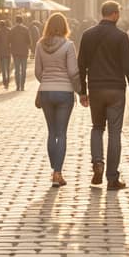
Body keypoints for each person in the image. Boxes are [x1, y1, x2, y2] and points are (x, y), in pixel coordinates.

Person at [78, 0, 129, 190]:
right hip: (116, 89)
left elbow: (81, 65)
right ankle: (112, 177)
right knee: (114, 133)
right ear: (114, 14)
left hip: (95, 88)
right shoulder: (121, 36)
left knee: (97, 128)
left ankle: (97, 162)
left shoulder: (87, 35)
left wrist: (82, 90)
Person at [34, 12, 81, 187]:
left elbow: (38, 72)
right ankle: (57, 173)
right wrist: (79, 90)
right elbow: (72, 71)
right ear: (64, 27)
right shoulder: (69, 45)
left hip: (46, 91)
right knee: (61, 133)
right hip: (64, 93)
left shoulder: (40, 45)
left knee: (51, 132)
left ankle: (54, 169)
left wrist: (47, 81)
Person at [9, 16, 33, 91]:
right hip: (24, 52)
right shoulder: (26, 29)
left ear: (16, 21)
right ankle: (22, 86)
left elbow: (9, 41)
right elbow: (29, 41)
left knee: (17, 70)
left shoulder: (12, 30)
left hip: (15, 52)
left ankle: (17, 86)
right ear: (22, 21)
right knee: (23, 70)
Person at [0, 19, 13, 88]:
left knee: (2, 67)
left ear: (0, 26)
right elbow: (12, 41)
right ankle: (7, 80)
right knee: (7, 67)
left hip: (1, 53)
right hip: (8, 52)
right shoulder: (9, 31)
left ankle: (4, 80)